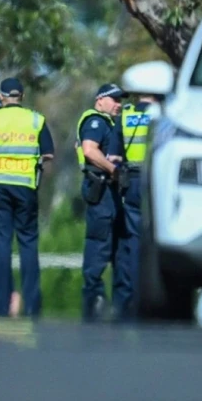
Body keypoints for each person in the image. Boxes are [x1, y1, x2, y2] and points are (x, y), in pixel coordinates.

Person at [0, 78, 54, 318]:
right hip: (26, 187)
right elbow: (48, 153)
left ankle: (1, 304)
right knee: (28, 245)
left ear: (1, 97)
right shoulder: (36, 119)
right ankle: (32, 305)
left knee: (2, 245)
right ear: (22, 97)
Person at [115, 61, 171, 320]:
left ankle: (129, 302)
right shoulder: (167, 114)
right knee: (153, 240)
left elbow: (114, 154)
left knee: (131, 242)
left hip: (130, 181)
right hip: (155, 182)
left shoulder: (124, 115)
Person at [75, 83, 128, 321]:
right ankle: (93, 305)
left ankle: (118, 307)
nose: (119, 104)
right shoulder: (95, 122)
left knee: (118, 252)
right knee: (98, 250)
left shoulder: (111, 123)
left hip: (112, 194)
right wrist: (114, 170)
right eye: (114, 99)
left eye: (121, 100)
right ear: (100, 100)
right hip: (102, 190)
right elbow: (89, 150)